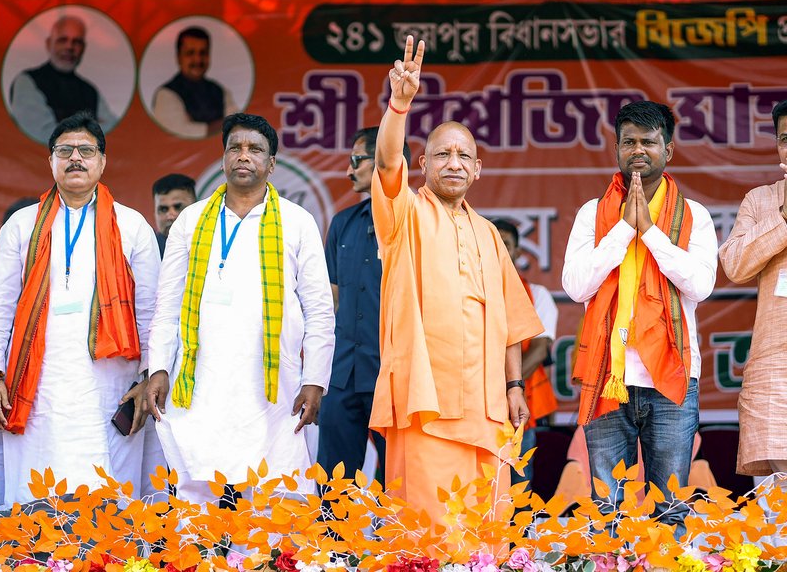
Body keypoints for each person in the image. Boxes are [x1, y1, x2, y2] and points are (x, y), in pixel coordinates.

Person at [369, 36, 543, 522]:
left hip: (487, 407)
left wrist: (514, 387)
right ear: (421, 165)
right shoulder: (403, 214)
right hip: (427, 400)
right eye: (442, 154)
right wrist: (399, 106)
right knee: (428, 530)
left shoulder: (490, 234)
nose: (454, 164)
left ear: (478, 170)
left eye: (464, 157)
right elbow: (385, 163)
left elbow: (511, 321)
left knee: (484, 530)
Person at [145, 113, 335, 504]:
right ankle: (200, 562)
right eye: (235, 148)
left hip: (272, 385)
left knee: (273, 491)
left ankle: (267, 564)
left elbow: (319, 309)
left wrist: (315, 379)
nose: (243, 156)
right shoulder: (191, 221)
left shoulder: (298, 223)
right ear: (223, 160)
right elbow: (167, 304)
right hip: (200, 382)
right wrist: (159, 366)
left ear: (272, 163)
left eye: (255, 149)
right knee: (198, 485)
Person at [0, 111, 159, 506]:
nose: (75, 158)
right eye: (65, 150)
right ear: (51, 161)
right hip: (35, 387)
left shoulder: (132, 226)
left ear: (102, 160)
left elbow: (151, 312)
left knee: (105, 496)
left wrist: (149, 375)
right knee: (36, 496)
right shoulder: (21, 225)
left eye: (86, 149)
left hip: (110, 389)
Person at [562, 100, 718, 533]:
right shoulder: (593, 215)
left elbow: (700, 285)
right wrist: (624, 230)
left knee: (671, 509)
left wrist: (649, 231)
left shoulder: (695, 217)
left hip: (671, 380)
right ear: (616, 148)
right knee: (606, 511)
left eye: (648, 142)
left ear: (668, 149)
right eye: (628, 141)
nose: (638, 150)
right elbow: (576, 286)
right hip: (608, 378)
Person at [316, 128, 410, 483]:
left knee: (398, 481)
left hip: (393, 373)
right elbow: (331, 299)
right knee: (333, 481)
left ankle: (397, 542)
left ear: (385, 160)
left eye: (357, 160)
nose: (349, 170)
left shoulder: (414, 219)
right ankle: (333, 541)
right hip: (342, 373)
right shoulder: (342, 223)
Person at [719, 99, 787, 479]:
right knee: (777, 504)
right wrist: (783, 217)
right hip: (775, 366)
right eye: (785, 138)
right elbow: (734, 265)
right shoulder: (760, 200)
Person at [492, 218, 559, 486]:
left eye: (505, 244)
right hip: (479, 405)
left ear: (518, 252)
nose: (499, 249)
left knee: (518, 482)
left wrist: (507, 386)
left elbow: (540, 349)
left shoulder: (538, 294)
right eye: (493, 243)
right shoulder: (468, 291)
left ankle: (519, 530)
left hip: (522, 402)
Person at [9, 16, 118, 144]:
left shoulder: (90, 91)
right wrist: (92, 128)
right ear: (49, 43)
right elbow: (41, 133)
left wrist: (62, 125)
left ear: (83, 48)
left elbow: (113, 129)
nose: (69, 47)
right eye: (62, 40)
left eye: (76, 42)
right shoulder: (27, 82)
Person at [151, 27, 239, 139]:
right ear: (179, 58)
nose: (198, 60)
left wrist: (199, 125)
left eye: (203, 53)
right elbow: (180, 132)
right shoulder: (165, 94)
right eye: (190, 53)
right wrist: (220, 125)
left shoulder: (220, 91)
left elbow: (236, 126)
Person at [152, 173, 197, 257]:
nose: (170, 216)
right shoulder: (146, 252)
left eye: (178, 207)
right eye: (163, 209)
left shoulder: (216, 244)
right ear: (155, 214)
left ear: (197, 208)